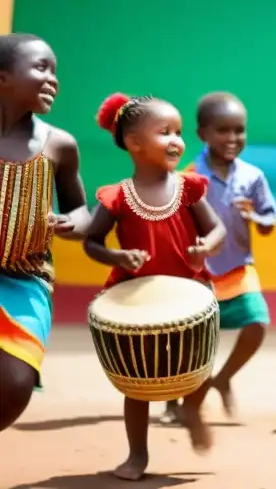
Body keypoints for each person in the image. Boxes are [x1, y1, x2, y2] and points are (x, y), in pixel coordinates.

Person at [82, 92, 227, 481]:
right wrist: (117, 257)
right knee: (137, 384)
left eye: (179, 132)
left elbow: (217, 229)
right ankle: (137, 455)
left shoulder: (189, 188)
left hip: (189, 292)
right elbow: (92, 243)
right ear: (134, 143)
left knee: (200, 368)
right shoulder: (117, 198)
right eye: (165, 132)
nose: (177, 140)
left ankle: (192, 408)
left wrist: (204, 248)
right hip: (138, 301)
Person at [161, 92, 276, 425]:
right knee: (188, 339)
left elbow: (270, 220)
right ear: (202, 134)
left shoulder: (253, 176)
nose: (232, 138)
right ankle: (175, 397)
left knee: (257, 323)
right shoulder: (186, 175)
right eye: (223, 131)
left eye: (239, 130)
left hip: (238, 266)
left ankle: (224, 378)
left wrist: (257, 218)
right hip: (197, 272)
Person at [0, 34, 90, 432]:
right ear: (3, 77)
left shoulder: (60, 146)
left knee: (15, 384)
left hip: (25, 279)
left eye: (55, 71)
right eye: (40, 68)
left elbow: (79, 209)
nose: (52, 78)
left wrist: (75, 224)